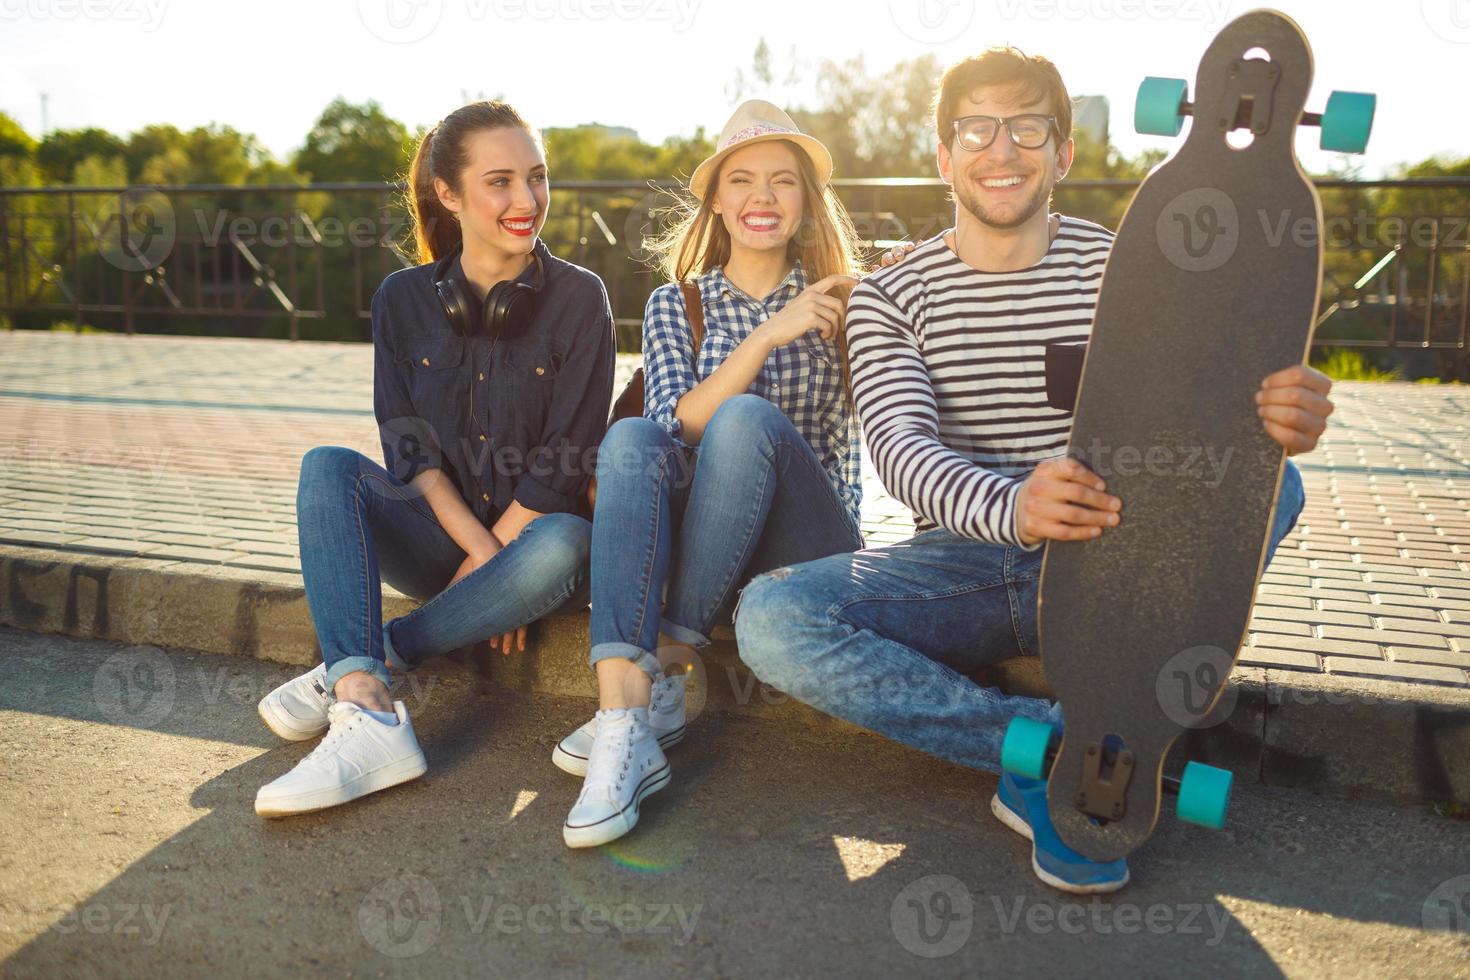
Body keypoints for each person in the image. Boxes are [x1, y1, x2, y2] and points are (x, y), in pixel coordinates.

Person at [733, 49, 1332, 893]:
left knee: (1280, 484)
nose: (1001, 149)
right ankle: (1059, 742)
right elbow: (902, 453)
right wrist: (1014, 504)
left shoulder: (1128, 272)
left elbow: (1207, 426)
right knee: (772, 616)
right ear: (945, 157)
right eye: (976, 128)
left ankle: (1103, 713)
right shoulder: (891, 294)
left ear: (1064, 153)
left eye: (1027, 127)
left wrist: (1273, 424)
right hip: (966, 565)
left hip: (1110, 560)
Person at [253, 100, 616, 817]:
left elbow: (565, 461)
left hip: (542, 554)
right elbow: (409, 449)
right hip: (446, 549)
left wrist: (504, 560)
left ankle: (363, 661)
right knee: (328, 466)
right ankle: (369, 713)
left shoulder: (581, 298)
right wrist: (481, 565)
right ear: (448, 194)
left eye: (538, 178)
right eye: (501, 181)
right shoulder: (401, 299)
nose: (527, 201)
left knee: (567, 539)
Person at [557, 100, 869, 848]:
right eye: (743, 180)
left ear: (806, 201)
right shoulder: (677, 303)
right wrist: (766, 335)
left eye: (783, 181)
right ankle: (628, 714)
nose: (762, 198)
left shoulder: (847, 301)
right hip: (712, 540)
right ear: (718, 200)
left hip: (812, 547)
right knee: (632, 434)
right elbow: (675, 426)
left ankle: (666, 659)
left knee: (746, 420)